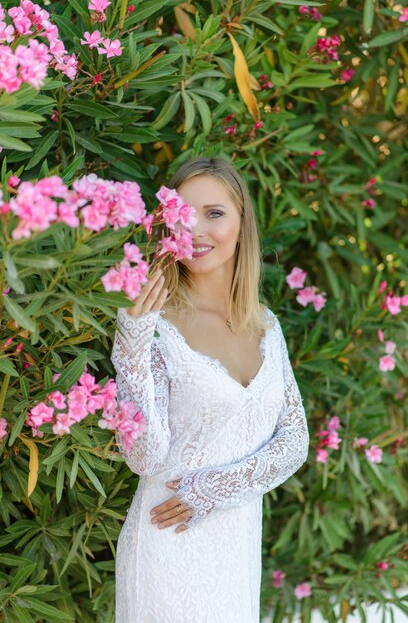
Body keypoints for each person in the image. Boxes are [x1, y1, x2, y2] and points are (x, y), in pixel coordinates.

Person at [111, 156, 310, 622]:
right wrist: (132, 345)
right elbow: (144, 458)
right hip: (166, 549)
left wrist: (215, 489)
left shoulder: (267, 326)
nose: (196, 229)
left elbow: (295, 441)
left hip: (235, 552)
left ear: (242, 225)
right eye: (184, 214)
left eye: (214, 213)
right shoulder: (153, 326)